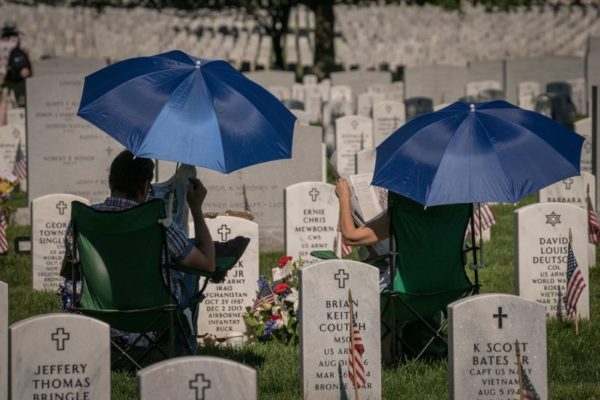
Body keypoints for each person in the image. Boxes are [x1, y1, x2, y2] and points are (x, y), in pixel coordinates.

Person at [61, 150, 248, 353]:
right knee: (188, 271)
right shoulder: (159, 223)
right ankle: (182, 350)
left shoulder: (83, 220)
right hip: (153, 311)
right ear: (144, 187)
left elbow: (72, 267)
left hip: (98, 308)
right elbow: (207, 264)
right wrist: (195, 208)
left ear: (110, 181)